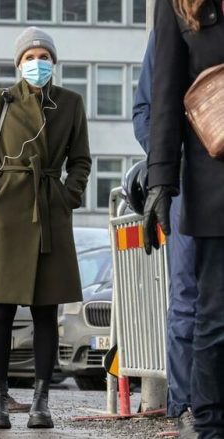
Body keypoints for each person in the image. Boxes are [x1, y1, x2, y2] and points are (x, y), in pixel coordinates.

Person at [0, 27, 91, 429]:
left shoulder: (71, 103)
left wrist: (67, 196)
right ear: (18, 64)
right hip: (3, 220)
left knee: (45, 314)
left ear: (54, 62)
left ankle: (41, 401)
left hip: (50, 215)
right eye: (30, 57)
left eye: (44, 56)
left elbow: (82, 160)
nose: (37, 63)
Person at [145, 1, 224, 437]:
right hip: (213, 183)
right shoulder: (177, 6)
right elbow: (164, 95)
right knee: (213, 318)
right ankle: (210, 425)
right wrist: (161, 182)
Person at [132, 30, 198, 437]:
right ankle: (185, 405)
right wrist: (175, 165)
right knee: (188, 300)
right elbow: (145, 113)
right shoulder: (175, 26)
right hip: (191, 187)